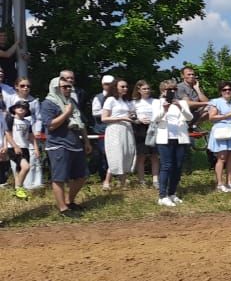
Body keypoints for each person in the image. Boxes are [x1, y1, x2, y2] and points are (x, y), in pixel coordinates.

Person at [41, 77, 91, 217]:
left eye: (69, 86)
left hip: (75, 143)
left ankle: (69, 201)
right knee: (59, 178)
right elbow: (50, 125)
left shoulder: (71, 102)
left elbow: (81, 123)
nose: (68, 89)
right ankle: (63, 209)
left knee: (82, 176)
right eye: (64, 86)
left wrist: (86, 141)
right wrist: (66, 113)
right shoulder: (48, 104)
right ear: (56, 88)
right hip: (58, 144)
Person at [152, 80, 193, 206]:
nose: (172, 92)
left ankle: (172, 193)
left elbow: (189, 117)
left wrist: (180, 107)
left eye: (174, 89)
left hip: (180, 138)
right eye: (168, 89)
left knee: (178, 167)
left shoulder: (181, 103)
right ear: (163, 91)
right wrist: (164, 109)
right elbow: (154, 119)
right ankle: (162, 195)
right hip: (165, 138)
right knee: (167, 166)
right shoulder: (157, 102)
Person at [207, 81, 231, 192]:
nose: (227, 91)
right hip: (221, 131)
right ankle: (219, 183)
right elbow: (211, 117)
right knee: (222, 158)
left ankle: (229, 182)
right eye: (224, 89)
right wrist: (226, 115)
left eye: (229, 89)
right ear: (221, 91)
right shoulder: (215, 102)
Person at [100, 78, 136, 190]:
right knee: (116, 154)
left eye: (126, 86)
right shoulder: (110, 100)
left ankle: (123, 182)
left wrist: (132, 116)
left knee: (126, 153)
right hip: (115, 129)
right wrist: (121, 118)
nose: (125, 88)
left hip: (127, 129)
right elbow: (104, 118)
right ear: (115, 87)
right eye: (122, 86)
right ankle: (106, 181)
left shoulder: (126, 101)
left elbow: (131, 115)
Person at [132, 80, 160, 188]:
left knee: (154, 155)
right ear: (139, 90)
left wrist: (153, 120)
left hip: (153, 128)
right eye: (144, 89)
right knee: (141, 156)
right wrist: (138, 120)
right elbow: (131, 116)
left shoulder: (155, 101)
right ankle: (142, 180)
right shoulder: (134, 102)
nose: (147, 91)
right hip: (140, 129)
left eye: (148, 89)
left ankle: (155, 180)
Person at [5, 101, 36, 199]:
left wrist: (36, 148)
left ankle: (17, 192)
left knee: (20, 169)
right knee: (26, 167)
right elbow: (8, 134)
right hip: (14, 147)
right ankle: (19, 188)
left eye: (24, 107)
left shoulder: (27, 122)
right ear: (14, 109)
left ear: (27, 111)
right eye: (18, 106)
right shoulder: (11, 119)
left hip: (25, 148)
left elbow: (31, 136)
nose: (21, 108)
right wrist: (15, 146)